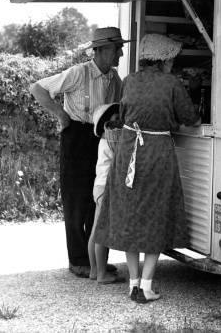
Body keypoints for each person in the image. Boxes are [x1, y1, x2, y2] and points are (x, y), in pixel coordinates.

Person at [95, 33, 200, 303]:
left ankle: (132, 284)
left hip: (129, 148)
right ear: (164, 59)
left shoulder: (129, 80)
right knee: (155, 213)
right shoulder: (171, 83)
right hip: (156, 153)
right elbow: (190, 118)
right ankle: (147, 285)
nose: (172, 63)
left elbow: (124, 112)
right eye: (171, 59)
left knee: (130, 214)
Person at [29, 27, 132, 278]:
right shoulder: (78, 72)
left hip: (102, 138)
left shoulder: (114, 79)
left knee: (98, 198)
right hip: (76, 137)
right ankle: (78, 261)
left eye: (120, 48)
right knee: (76, 199)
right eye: (117, 48)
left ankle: (94, 261)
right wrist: (61, 116)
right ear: (102, 50)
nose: (120, 53)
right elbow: (38, 88)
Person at [87, 102, 123, 284]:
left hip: (98, 187)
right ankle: (101, 274)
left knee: (95, 231)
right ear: (106, 123)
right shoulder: (111, 140)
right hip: (106, 188)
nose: (120, 122)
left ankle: (94, 270)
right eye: (116, 119)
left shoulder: (103, 141)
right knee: (102, 232)